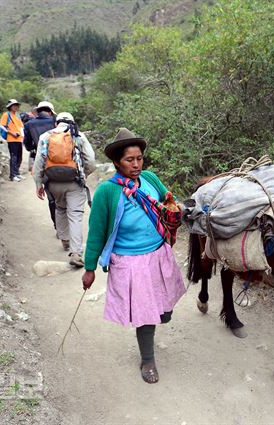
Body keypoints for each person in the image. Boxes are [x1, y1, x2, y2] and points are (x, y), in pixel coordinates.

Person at [82, 128, 185, 384]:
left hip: (159, 253)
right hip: (131, 262)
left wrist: (175, 208)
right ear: (117, 162)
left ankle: (156, 322)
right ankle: (147, 359)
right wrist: (90, 267)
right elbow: (96, 231)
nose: (136, 164)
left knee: (165, 310)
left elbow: (168, 199)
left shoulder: (149, 178)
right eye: (130, 160)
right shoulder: (107, 192)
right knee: (146, 314)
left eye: (139, 158)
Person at [33, 112, 96, 266]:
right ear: (72, 123)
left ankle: (65, 240)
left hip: (53, 183)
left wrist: (38, 184)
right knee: (75, 215)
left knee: (60, 209)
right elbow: (91, 161)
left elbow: (39, 162)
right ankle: (75, 253)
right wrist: (84, 174)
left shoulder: (46, 136)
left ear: (57, 123)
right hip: (74, 182)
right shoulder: (78, 135)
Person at [24, 101, 58, 229]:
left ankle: (57, 225)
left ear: (38, 111)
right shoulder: (55, 121)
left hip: (43, 164)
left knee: (51, 197)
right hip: (61, 161)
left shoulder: (28, 125)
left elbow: (27, 146)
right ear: (50, 111)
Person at [0, 99, 25, 182]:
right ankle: (12, 175)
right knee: (13, 157)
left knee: (19, 157)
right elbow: (2, 126)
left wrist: (23, 136)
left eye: (17, 105)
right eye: (14, 105)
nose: (16, 107)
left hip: (19, 140)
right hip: (11, 139)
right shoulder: (6, 115)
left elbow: (21, 127)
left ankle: (17, 173)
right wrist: (11, 133)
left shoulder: (17, 116)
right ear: (10, 106)